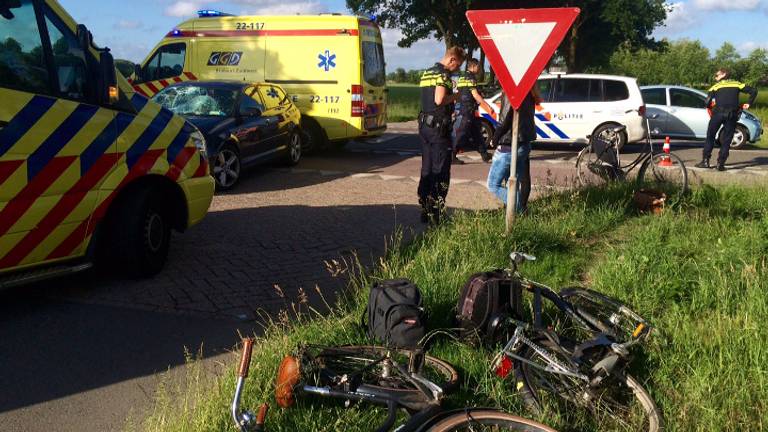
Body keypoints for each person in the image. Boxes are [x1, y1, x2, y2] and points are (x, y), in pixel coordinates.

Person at [417, 46, 465, 224]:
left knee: (427, 168)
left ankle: (424, 207)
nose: (457, 69)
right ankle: (436, 213)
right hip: (438, 130)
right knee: (441, 170)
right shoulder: (443, 75)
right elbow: (439, 100)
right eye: (457, 65)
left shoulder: (426, 72)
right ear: (452, 60)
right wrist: (456, 96)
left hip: (424, 127)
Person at [486, 88, 538, 213]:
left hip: (509, 143)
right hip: (524, 142)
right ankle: (520, 209)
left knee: (493, 185)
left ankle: (519, 209)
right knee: (521, 178)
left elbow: (506, 118)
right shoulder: (528, 91)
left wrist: (496, 137)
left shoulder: (511, 90)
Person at [696, 68, 758, 171]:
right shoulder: (737, 84)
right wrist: (749, 103)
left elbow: (707, 102)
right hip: (732, 114)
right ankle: (720, 164)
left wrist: (711, 107)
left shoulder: (715, 87)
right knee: (727, 139)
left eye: (717, 75)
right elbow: (754, 91)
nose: (715, 77)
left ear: (724, 74)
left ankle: (705, 161)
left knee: (710, 136)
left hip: (718, 114)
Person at [452, 58, 494, 165]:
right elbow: (475, 95)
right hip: (468, 110)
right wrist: (488, 106)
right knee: (462, 133)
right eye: (478, 67)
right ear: (474, 66)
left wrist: (455, 108)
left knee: (477, 134)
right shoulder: (471, 78)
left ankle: (484, 154)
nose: (479, 69)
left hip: (464, 108)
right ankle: (452, 155)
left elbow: (457, 94)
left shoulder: (461, 77)